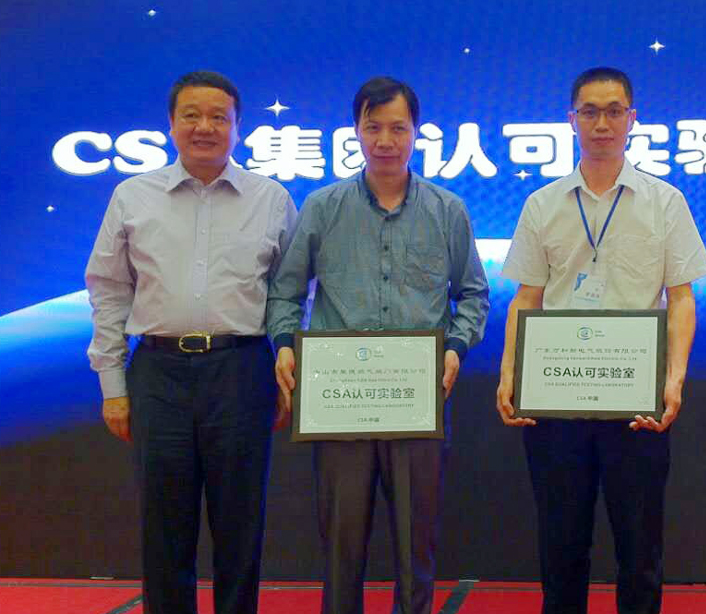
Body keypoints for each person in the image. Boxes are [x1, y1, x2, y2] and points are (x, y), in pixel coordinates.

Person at [266, 76, 489, 614]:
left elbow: (473, 295)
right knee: (341, 545)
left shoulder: (447, 210)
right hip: (338, 401)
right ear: (356, 131)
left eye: (398, 128)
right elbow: (284, 292)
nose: (385, 140)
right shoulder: (323, 207)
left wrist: (456, 348)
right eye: (373, 127)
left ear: (416, 132)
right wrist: (284, 344)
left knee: (417, 544)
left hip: (417, 400)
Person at [496, 67, 706, 614]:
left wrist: (673, 381)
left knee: (640, 548)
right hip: (555, 398)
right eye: (589, 112)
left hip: (636, 401)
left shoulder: (664, 201)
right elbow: (527, 297)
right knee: (560, 545)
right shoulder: (543, 203)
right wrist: (509, 373)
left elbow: (681, 298)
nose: (601, 123)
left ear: (632, 119)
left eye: (614, 111)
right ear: (571, 120)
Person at [85, 70, 297, 614]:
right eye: (192, 115)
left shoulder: (271, 199)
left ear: (238, 127)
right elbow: (109, 291)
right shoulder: (132, 196)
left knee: (240, 524)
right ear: (171, 124)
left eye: (219, 117)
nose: (205, 127)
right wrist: (113, 386)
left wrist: (286, 372)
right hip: (158, 375)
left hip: (241, 370)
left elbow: (291, 292)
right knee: (163, 525)